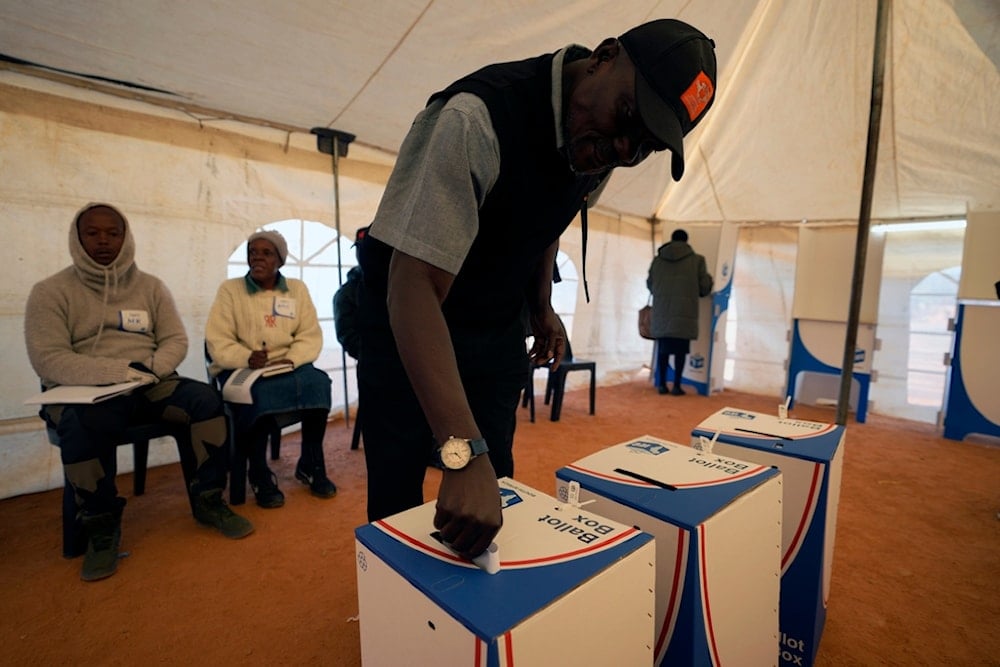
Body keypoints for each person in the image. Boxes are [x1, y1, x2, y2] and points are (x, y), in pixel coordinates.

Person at [357, 18, 718, 561]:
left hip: (495, 323)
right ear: (603, 55)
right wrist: (460, 453)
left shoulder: (599, 142)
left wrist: (540, 305)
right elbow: (413, 287)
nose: (622, 148)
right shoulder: (475, 118)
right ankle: (397, 615)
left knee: (493, 487)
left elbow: (552, 215)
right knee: (399, 487)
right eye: (627, 116)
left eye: (643, 144)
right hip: (410, 324)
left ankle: (476, 625)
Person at [24, 203, 253, 582]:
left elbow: (174, 340)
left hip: (147, 383)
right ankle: (100, 525)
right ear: (76, 238)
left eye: (113, 233)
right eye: (92, 233)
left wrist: (149, 371)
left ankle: (208, 499)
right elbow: (48, 359)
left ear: (125, 237)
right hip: (82, 391)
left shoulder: (150, 287)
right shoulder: (49, 292)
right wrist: (115, 373)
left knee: (205, 401)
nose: (103, 241)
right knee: (82, 424)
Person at [205, 230, 336, 508]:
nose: (257, 258)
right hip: (243, 367)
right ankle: (258, 472)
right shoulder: (230, 290)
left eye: (266, 253)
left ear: (280, 260)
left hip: (288, 364)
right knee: (260, 395)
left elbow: (310, 333)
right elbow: (217, 339)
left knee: (318, 383)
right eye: (253, 252)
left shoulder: (296, 289)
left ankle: (311, 464)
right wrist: (245, 356)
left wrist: (292, 359)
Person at [646, 228, 714, 395]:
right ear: (686, 241)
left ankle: (661, 384)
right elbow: (704, 288)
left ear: (672, 239)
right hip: (685, 314)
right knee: (680, 352)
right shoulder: (697, 260)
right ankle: (677, 386)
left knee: (663, 350)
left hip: (662, 313)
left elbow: (650, 284)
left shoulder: (657, 261)